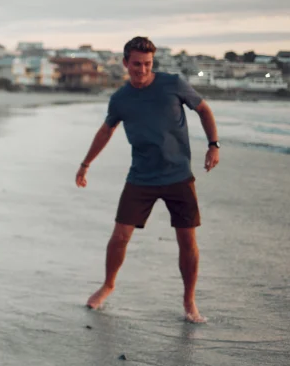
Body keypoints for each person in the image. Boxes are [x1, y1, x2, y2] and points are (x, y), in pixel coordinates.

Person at [75, 36, 220, 323]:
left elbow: (203, 109)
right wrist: (85, 164)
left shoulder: (173, 84)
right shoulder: (120, 99)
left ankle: (189, 300)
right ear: (126, 63)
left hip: (179, 176)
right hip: (141, 177)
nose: (142, 69)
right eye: (137, 64)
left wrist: (213, 144)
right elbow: (106, 131)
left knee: (187, 240)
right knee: (120, 236)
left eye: (148, 64)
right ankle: (108, 285)